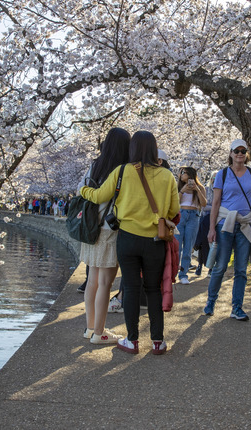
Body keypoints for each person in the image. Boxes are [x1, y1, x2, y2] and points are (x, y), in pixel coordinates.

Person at [80, 130, 180, 355]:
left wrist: (83, 190)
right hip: (154, 240)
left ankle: (132, 340)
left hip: (127, 239)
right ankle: (158, 341)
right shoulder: (167, 176)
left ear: (133, 149)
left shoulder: (122, 171)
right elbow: (174, 210)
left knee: (132, 288)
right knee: (153, 290)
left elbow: (98, 197)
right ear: (154, 149)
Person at [78, 128, 131, 345]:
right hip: (111, 230)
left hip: (92, 228)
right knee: (106, 283)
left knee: (92, 280)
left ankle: (90, 329)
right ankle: (100, 333)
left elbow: (79, 189)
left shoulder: (95, 165)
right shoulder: (123, 170)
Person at [203, 139, 251, 321]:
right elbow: (216, 202)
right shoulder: (223, 174)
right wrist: (211, 228)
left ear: (247, 154)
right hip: (225, 224)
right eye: (236, 151)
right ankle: (211, 302)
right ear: (230, 153)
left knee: (241, 269)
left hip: (245, 224)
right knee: (220, 266)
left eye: (243, 151)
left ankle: (237, 307)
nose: (239, 154)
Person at [175, 166, 207, 284]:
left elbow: (203, 203)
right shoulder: (178, 187)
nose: (180, 174)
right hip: (180, 215)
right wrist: (182, 190)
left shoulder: (200, 187)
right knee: (177, 247)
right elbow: (174, 202)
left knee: (188, 247)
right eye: (180, 172)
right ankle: (173, 273)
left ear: (190, 174)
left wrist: (197, 190)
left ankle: (183, 274)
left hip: (193, 216)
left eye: (183, 172)